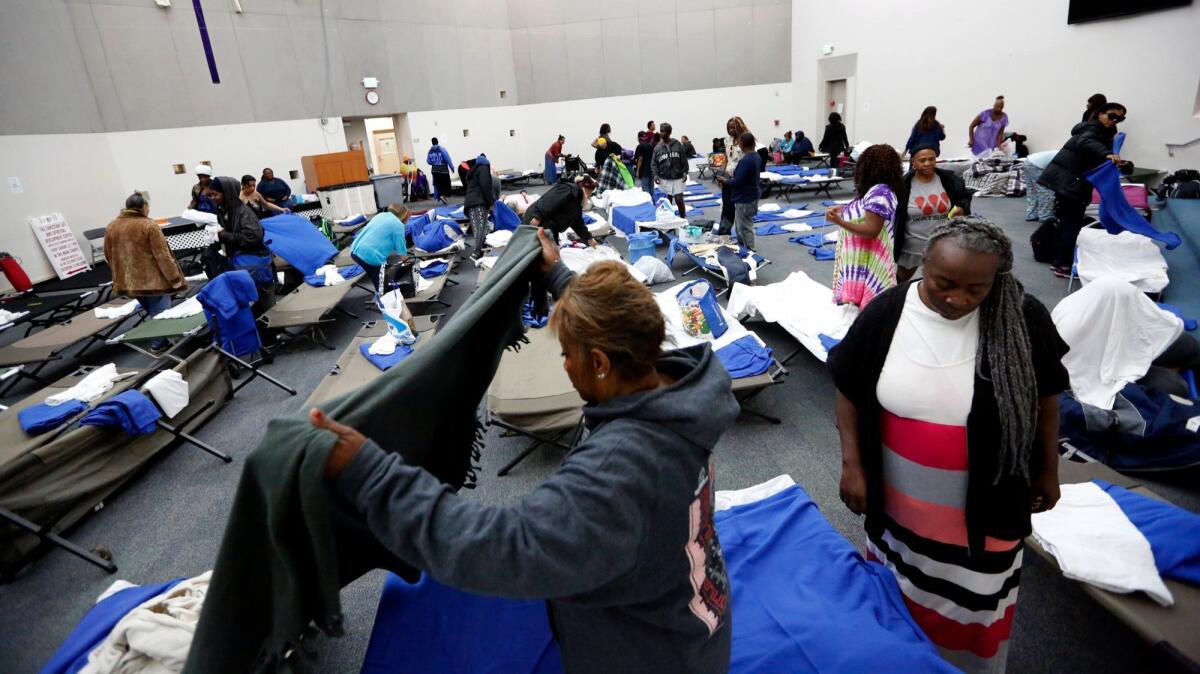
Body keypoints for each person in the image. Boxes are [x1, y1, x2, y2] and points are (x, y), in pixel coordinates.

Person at [316, 241, 738, 674]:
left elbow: (502, 548)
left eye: (566, 355)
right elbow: (619, 325)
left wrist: (369, 473)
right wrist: (558, 277)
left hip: (654, 657)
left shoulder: (620, 470)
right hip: (691, 626)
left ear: (597, 363)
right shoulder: (674, 387)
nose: (565, 367)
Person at [830, 217, 1069, 673]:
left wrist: (1048, 468)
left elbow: (1046, 396)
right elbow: (847, 385)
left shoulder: (1022, 315)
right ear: (924, 265)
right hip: (898, 513)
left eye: (975, 289)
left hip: (986, 514)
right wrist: (852, 466)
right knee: (896, 606)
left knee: (970, 625)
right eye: (944, 284)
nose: (958, 299)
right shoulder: (885, 312)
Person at [1038, 102, 1131, 277]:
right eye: (1112, 116)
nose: (1114, 121)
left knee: (1066, 223)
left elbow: (1097, 154)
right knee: (1071, 226)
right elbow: (1086, 142)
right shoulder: (1092, 129)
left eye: (1119, 118)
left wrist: (1120, 162)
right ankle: (1063, 265)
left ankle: (1058, 261)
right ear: (1100, 114)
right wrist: (1106, 154)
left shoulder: (1100, 132)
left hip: (1070, 183)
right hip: (1072, 184)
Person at [104, 192, 186, 350]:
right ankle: (159, 345)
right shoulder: (149, 225)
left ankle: (162, 343)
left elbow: (108, 254)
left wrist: (121, 274)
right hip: (153, 281)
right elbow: (162, 256)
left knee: (153, 312)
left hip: (129, 282)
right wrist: (174, 277)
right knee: (161, 315)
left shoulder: (112, 226)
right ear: (143, 207)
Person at [826, 144, 903, 308]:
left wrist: (839, 222)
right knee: (864, 311)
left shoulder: (881, 192)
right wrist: (844, 209)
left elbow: (872, 230)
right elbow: (866, 210)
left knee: (871, 310)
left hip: (869, 261)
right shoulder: (878, 190)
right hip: (863, 260)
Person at [894, 144, 971, 282]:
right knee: (899, 282)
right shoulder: (903, 184)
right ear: (913, 162)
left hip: (942, 246)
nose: (927, 163)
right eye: (922, 160)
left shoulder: (949, 180)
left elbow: (964, 197)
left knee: (940, 283)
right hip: (912, 248)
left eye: (932, 159)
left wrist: (962, 209)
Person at [204, 176, 274, 317]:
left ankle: (274, 334)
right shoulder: (223, 212)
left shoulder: (244, 212)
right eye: (211, 195)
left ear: (227, 193)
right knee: (251, 308)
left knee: (265, 307)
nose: (212, 198)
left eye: (216, 194)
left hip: (254, 266)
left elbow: (253, 237)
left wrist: (224, 235)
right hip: (239, 266)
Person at [522, 175, 599, 246]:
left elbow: (578, 224)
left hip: (548, 224)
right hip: (537, 220)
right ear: (585, 189)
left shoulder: (576, 200)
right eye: (590, 193)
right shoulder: (569, 189)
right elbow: (549, 201)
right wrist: (537, 216)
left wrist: (589, 238)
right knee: (540, 250)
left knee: (554, 250)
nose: (590, 196)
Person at [716, 132, 761, 249]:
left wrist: (724, 181)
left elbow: (738, 182)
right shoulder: (756, 157)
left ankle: (749, 250)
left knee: (743, 227)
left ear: (742, 144)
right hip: (751, 196)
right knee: (746, 225)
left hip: (745, 198)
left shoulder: (747, 160)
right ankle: (746, 248)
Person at [350, 204, 410, 290]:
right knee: (383, 282)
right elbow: (402, 250)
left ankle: (382, 296)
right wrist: (408, 266)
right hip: (370, 255)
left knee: (378, 278)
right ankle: (384, 299)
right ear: (403, 215)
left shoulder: (381, 215)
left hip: (355, 250)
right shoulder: (398, 225)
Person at [719, 116, 750, 233]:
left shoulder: (746, 139)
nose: (731, 130)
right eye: (729, 128)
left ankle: (743, 236)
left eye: (733, 127)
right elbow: (726, 158)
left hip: (741, 178)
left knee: (742, 208)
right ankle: (724, 233)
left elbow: (750, 158)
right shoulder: (727, 140)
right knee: (727, 206)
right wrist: (721, 173)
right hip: (727, 178)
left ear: (739, 126)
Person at [464, 154, 498, 260]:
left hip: (470, 203)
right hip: (479, 203)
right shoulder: (483, 169)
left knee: (477, 228)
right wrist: (491, 203)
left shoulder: (473, 171)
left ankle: (479, 250)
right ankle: (476, 252)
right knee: (480, 228)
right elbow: (486, 187)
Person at [652, 122, 689, 218]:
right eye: (661, 131)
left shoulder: (677, 144)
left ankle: (683, 218)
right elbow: (654, 163)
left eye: (664, 131)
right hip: (665, 178)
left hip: (678, 176)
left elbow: (684, 159)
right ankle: (669, 219)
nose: (661, 133)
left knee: (679, 199)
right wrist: (655, 175)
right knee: (667, 201)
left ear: (669, 132)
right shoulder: (657, 148)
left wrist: (685, 172)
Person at [1022, 150, 1058, 222]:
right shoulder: (1069, 157)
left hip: (1028, 161)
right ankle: (1045, 216)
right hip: (1038, 165)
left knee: (1032, 191)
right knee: (1046, 191)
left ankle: (1031, 214)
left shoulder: (1062, 152)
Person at [426, 138, 454, 205]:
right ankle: (443, 196)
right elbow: (448, 159)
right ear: (437, 142)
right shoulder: (442, 149)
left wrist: (434, 162)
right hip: (443, 170)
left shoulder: (430, 151)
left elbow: (428, 161)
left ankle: (441, 196)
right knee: (447, 184)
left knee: (439, 184)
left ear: (432, 143)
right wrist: (452, 167)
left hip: (434, 171)